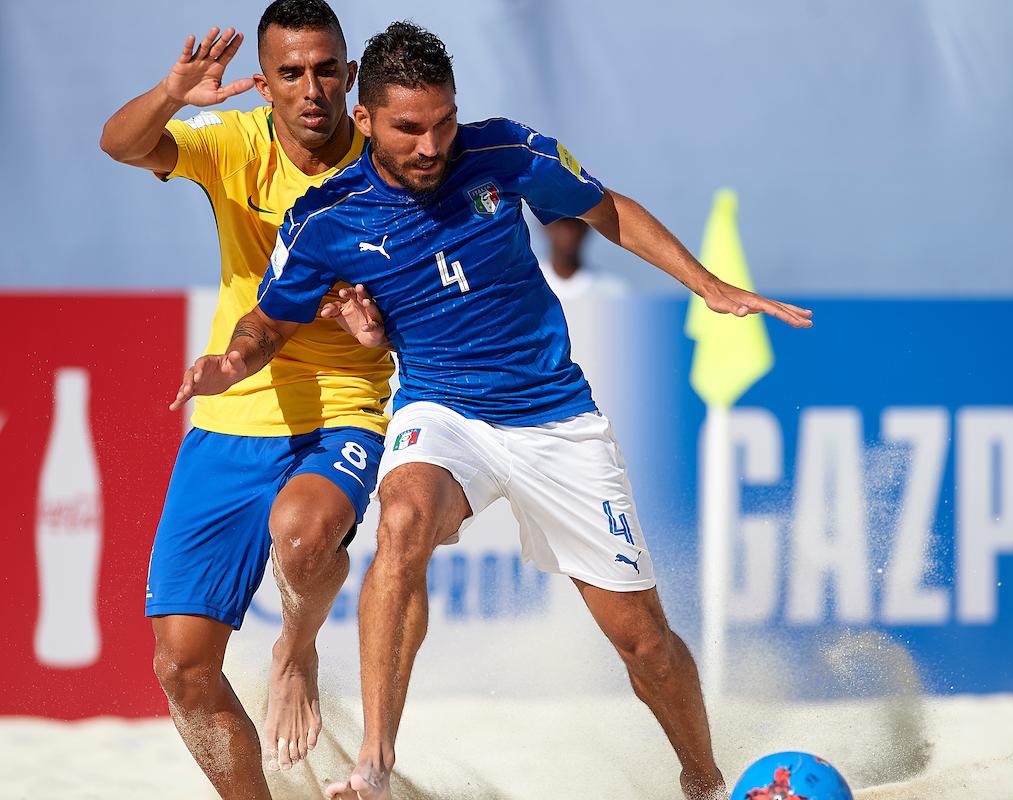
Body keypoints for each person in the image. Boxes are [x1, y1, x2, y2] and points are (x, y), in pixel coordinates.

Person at [172, 21, 813, 800]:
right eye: (409, 128)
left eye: (443, 122)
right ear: (365, 119)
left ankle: (704, 779)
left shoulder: (504, 152)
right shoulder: (327, 216)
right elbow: (270, 321)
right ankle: (374, 761)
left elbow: (606, 208)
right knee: (403, 521)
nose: (431, 145)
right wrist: (232, 362)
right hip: (442, 410)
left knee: (644, 642)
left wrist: (707, 285)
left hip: (555, 417)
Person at [98, 2, 394, 796]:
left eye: (326, 70)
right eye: (290, 74)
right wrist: (172, 94)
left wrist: (377, 326)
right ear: (264, 85)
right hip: (234, 409)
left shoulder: (388, 163)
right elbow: (118, 143)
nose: (311, 90)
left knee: (302, 538)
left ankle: (295, 648)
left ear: (350, 76)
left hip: (342, 403)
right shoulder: (235, 143)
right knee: (181, 669)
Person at [539, 215, 630, 300]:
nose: (569, 230)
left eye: (577, 221)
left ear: (589, 226)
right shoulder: (531, 284)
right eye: (561, 221)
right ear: (543, 225)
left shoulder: (615, 293)